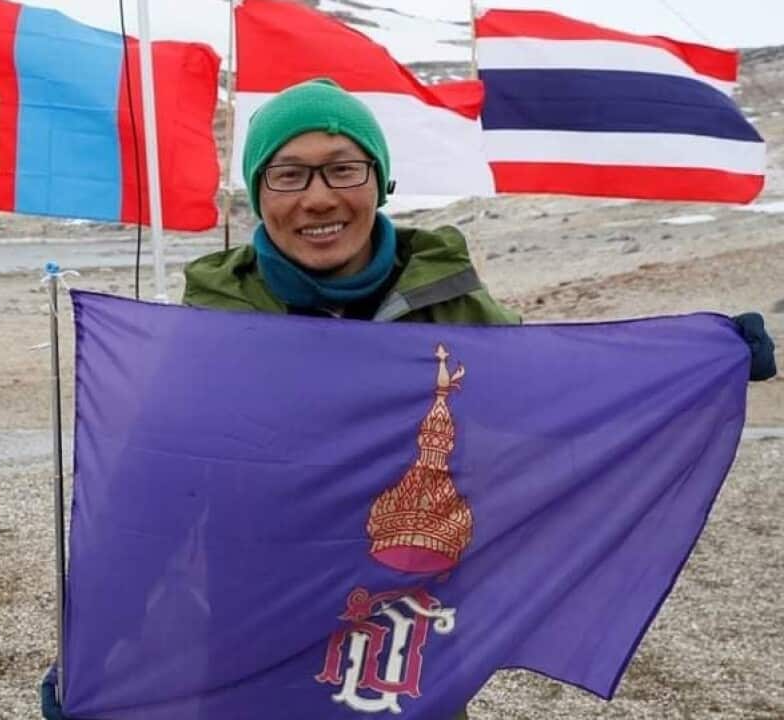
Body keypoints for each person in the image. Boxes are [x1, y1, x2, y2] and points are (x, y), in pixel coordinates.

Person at [40, 77, 776, 719]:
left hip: (410, 632)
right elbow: (146, 506)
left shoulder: (449, 303)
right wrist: (94, 665)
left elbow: (554, 408)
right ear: (260, 194)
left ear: (380, 181)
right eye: (289, 175)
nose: (319, 197)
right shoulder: (211, 328)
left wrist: (697, 366)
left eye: (343, 169)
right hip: (252, 625)